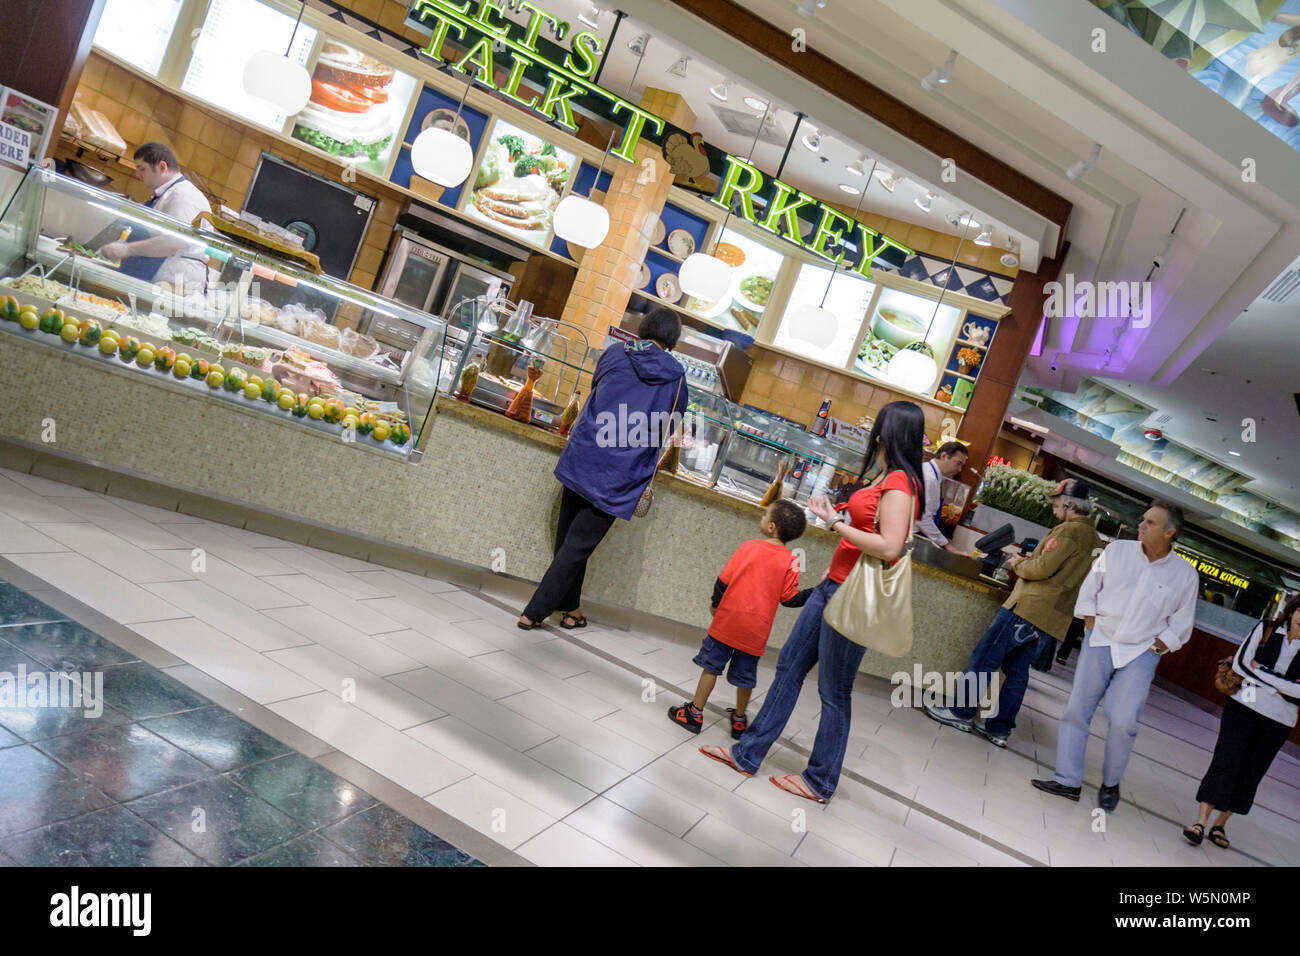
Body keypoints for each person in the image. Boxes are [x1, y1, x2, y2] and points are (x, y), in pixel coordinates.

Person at [698, 400, 924, 803]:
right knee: (788, 669)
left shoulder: (901, 484)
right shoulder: (887, 477)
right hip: (832, 588)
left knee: (834, 692)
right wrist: (837, 533)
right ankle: (747, 753)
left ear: (888, 432)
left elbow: (890, 546)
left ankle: (820, 780)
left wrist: (836, 523)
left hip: (852, 599)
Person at [517, 309, 688, 631]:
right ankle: (533, 612)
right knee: (576, 546)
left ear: (643, 328)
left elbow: (598, 388)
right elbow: (672, 424)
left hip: (586, 452)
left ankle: (572, 610)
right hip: (622, 471)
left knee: (569, 541)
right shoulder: (677, 377)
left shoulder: (614, 353)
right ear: (673, 340)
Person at [1032, 499, 1198, 811]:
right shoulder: (1116, 551)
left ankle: (1111, 782)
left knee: (1123, 721)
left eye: (1151, 523)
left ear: (1170, 532)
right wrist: (1090, 619)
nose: (1142, 525)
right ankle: (1067, 780)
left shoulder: (1185, 575)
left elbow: (1182, 623)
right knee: (1077, 710)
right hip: (1101, 641)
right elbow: (1090, 587)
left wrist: (1160, 645)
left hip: (1141, 652)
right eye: (1143, 519)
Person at [924, 478, 1102, 747]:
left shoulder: (1067, 532)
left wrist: (1018, 563)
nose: (1053, 508)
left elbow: (1042, 569)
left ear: (1069, 504)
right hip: (1049, 616)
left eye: (1056, 503)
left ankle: (960, 712)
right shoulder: (1094, 539)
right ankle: (999, 728)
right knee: (1017, 672)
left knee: (985, 657)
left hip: (1027, 606)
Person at [667, 499, 811, 737]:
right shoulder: (791, 561)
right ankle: (740, 720)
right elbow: (789, 599)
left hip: (728, 622)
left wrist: (715, 605)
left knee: (711, 668)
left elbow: (723, 581)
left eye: (765, 516)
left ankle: (694, 713)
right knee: (746, 677)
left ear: (772, 526)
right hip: (755, 632)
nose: (761, 519)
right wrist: (816, 592)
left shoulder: (749, 547)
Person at [1184, 594, 1300, 849]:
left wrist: (1261, 672)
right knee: (1225, 760)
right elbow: (1241, 663)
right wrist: (1282, 686)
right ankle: (1200, 822)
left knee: (1251, 772)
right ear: (1293, 611)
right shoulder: (1267, 628)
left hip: (1279, 720)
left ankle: (1221, 823)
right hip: (1243, 705)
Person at [98, 142, 212, 289]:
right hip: (157, 275)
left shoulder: (182, 196)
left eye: (142, 169)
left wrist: (128, 249)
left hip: (174, 280)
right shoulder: (167, 193)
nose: (137, 174)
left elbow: (175, 241)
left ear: (162, 167)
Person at [916, 441, 969, 555]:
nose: (960, 469)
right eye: (958, 463)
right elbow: (922, 518)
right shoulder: (928, 478)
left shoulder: (932, 475)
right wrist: (948, 546)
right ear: (944, 456)